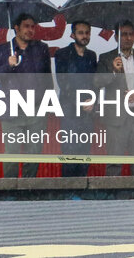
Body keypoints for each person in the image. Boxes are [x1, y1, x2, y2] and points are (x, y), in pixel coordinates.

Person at [0, 13, 52, 178]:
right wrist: (8, 65)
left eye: (33, 26)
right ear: (16, 28)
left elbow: (47, 78)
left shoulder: (41, 49)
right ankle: (10, 192)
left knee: (34, 152)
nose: (30, 30)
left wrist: (49, 104)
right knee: (12, 153)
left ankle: (29, 192)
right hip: (12, 109)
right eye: (26, 26)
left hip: (36, 108)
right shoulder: (2, 50)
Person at [95, 21, 134, 176]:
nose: (128, 38)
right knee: (114, 165)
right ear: (116, 37)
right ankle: (112, 198)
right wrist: (113, 71)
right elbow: (97, 82)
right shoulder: (106, 58)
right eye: (123, 34)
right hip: (116, 119)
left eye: (131, 34)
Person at [54, 21, 97, 177]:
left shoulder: (92, 55)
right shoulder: (62, 54)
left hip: (88, 111)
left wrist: (93, 101)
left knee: (85, 151)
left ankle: (81, 190)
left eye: (87, 33)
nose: (84, 36)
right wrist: (80, 102)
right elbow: (63, 83)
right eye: (81, 32)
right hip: (70, 110)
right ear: (73, 35)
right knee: (70, 150)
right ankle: (68, 191)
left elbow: (95, 83)